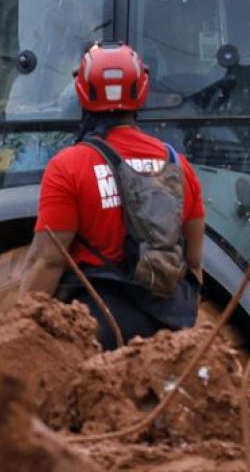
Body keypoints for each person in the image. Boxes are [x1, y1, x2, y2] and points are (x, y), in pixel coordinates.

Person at [20, 42, 207, 350]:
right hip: (166, 332)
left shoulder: (68, 166)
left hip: (96, 328)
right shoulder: (178, 165)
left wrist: (20, 332)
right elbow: (194, 260)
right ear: (141, 90)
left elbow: (48, 260)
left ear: (81, 90)